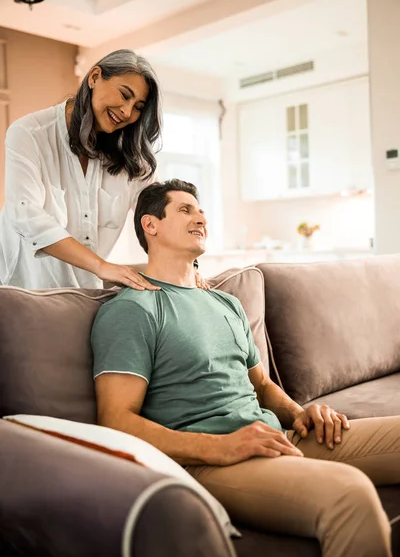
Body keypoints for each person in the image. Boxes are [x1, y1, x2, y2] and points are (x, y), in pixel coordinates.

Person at [91, 179, 400, 557]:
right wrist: (218, 447)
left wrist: (302, 414)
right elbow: (115, 419)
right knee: (350, 496)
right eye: (185, 209)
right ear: (150, 225)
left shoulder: (226, 303)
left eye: (201, 209)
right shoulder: (132, 309)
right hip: (212, 463)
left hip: (275, 437)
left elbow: (262, 386)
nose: (200, 216)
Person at [0, 48, 205, 291]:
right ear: (95, 77)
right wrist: (102, 266)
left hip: (88, 292)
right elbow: (26, 216)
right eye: (124, 94)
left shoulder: (133, 157)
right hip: (22, 289)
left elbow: (161, 212)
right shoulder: (29, 133)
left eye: (138, 106)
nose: (128, 112)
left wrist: (189, 266)